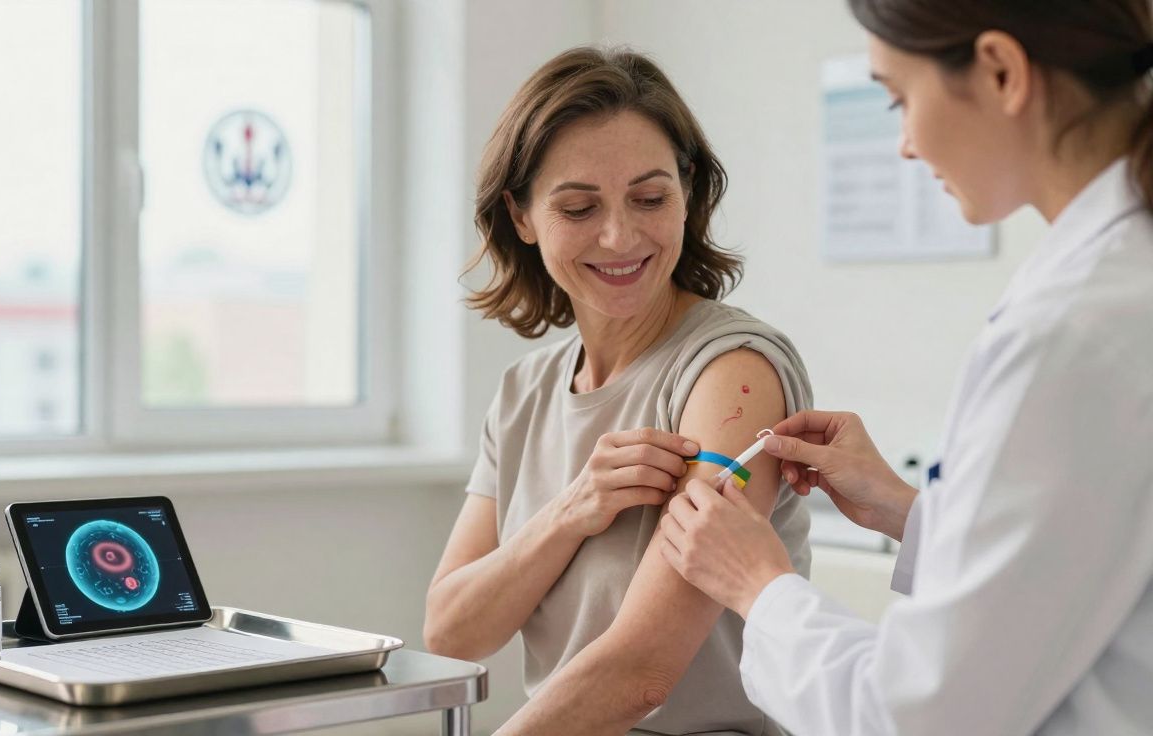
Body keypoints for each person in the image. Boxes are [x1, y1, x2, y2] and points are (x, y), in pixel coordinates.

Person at [659, 2, 1153, 734]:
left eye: (899, 100)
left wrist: (759, 586)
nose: (905, 147)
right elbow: (1071, 566)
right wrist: (905, 508)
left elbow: (920, 717)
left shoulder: (1076, 330)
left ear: (1001, 71)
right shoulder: (1110, 290)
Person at [423, 46, 814, 734]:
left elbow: (643, 671)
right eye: (578, 207)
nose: (619, 235)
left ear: (688, 195)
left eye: (650, 198)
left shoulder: (731, 374)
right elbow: (452, 630)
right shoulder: (524, 392)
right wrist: (571, 510)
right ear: (521, 216)